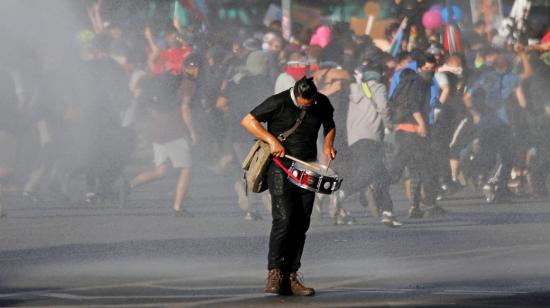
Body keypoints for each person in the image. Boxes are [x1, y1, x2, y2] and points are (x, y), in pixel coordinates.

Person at [240, 77, 336, 296]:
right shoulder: (278, 101)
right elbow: (248, 121)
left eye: (309, 104)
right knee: (284, 219)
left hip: (308, 168)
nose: (307, 107)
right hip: (280, 167)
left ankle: (292, 275)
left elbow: (329, 124)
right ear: (295, 95)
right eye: (303, 104)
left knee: (302, 222)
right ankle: (275, 273)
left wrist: (329, 144)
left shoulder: (321, 102)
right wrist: (271, 140)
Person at [121, 54, 200, 215]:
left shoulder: (171, 80)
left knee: (161, 170)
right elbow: (185, 108)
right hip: (174, 130)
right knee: (186, 168)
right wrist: (192, 132)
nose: (198, 70)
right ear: (188, 68)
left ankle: (128, 185)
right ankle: (178, 207)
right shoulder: (188, 84)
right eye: (196, 67)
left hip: (158, 128)